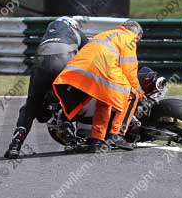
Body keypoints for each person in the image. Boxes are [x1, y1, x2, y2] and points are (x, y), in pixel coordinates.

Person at [53, 20, 144, 153]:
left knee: (105, 102)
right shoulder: (128, 39)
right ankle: (117, 134)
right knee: (133, 94)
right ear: (137, 34)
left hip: (81, 71)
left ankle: (96, 140)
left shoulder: (105, 34)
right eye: (139, 40)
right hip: (102, 69)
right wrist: (139, 91)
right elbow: (129, 70)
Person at [4, 16, 87, 159]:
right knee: (71, 99)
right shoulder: (75, 32)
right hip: (63, 63)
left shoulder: (47, 36)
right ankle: (70, 138)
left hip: (40, 66)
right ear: (74, 25)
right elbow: (90, 52)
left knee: (30, 105)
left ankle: (15, 144)